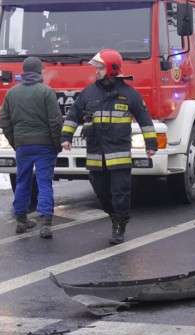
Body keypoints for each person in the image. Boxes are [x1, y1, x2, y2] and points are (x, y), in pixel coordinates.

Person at [60, 49, 157, 245]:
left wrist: (151, 144)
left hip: (119, 155)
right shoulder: (89, 93)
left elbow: (145, 120)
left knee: (120, 192)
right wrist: (66, 137)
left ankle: (119, 225)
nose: (96, 71)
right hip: (96, 154)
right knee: (102, 192)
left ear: (112, 69)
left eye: (100, 67)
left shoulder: (129, 94)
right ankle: (114, 215)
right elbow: (73, 116)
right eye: (97, 67)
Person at [0, 56, 63, 239]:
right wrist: (56, 143)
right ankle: (45, 223)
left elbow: (4, 122)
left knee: (23, 181)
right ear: (39, 72)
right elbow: (55, 121)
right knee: (44, 182)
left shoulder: (11, 93)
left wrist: (15, 142)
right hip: (45, 146)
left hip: (23, 146)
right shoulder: (46, 92)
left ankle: (20, 220)